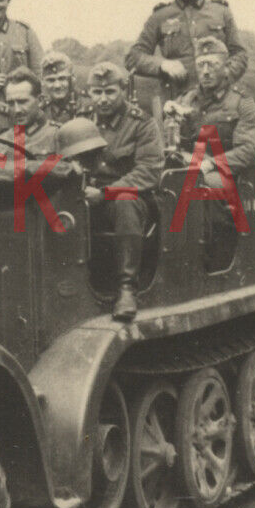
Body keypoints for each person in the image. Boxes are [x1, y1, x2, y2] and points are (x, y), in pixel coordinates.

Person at [82, 62, 165, 321]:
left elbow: (148, 172)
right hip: (88, 196)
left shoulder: (141, 124)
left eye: (110, 92)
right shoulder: (82, 121)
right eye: (97, 92)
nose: (103, 99)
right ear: (88, 93)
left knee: (125, 202)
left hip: (132, 199)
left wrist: (105, 193)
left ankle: (127, 288)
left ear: (123, 91)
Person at [126, 0, 248, 103]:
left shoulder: (221, 12)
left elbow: (240, 54)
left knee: (224, 120)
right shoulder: (160, 17)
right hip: (177, 102)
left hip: (217, 103)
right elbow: (133, 57)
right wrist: (162, 64)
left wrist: (223, 75)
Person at [171, 37, 255, 178]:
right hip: (187, 169)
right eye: (201, 65)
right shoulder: (186, 100)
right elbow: (174, 145)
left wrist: (212, 164)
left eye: (213, 64)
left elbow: (248, 149)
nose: (205, 71)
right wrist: (170, 119)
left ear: (226, 67)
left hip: (225, 174)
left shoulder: (242, 102)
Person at [1, 68, 59, 156]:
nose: (17, 110)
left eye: (22, 102)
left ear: (40, 101)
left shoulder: (57, 136)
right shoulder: (3, 140)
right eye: (11, 103)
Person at [39, 51, 91, 124]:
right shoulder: (40, 109)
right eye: (51, 80)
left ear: (72, 79)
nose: (57, 85)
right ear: (43, 82)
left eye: (62, 79)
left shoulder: (87, 106)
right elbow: (22, 130)